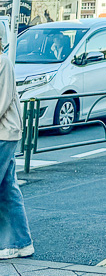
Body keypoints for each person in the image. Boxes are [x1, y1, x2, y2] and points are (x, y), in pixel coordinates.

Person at [0, 35, 34, 260]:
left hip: (3, 133)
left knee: (7, 190)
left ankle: (18, 242)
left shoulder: (3, 62)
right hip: (5, 134)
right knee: (7, 189)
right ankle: (21, 243)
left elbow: (1, 101)